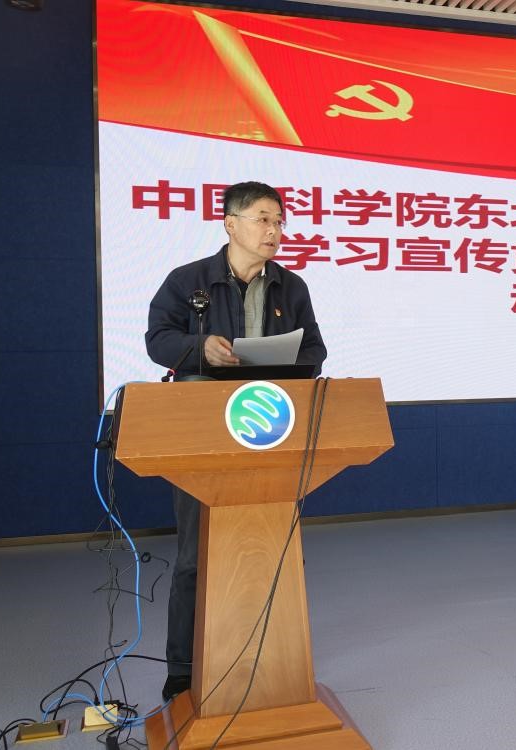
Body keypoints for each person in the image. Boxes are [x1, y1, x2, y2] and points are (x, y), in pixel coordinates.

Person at [145, 181, 327, 702]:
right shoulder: (188, 281)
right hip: (205, 431)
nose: (274, 231)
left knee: (275, 549)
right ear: (231, 224)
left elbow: (314, 350)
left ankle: (274, 658)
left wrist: (279, 358)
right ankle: (183, 669)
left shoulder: (291, 287)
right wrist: (201, 347)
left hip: (270, 428)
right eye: (263, 219)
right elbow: (158, 340)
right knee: (195, 554)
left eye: (279, 221)